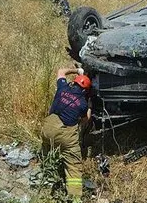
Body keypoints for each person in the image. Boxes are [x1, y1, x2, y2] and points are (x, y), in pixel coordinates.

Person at [41, 67, 92, 201]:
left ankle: (45, 176)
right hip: (65, 134)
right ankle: (74, 197)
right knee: (73, 165)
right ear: (85, 91)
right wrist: (89, 109)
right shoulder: (82, 103)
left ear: (73, 83)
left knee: (46, 149)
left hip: (48, 128)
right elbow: (85, 121)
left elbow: (61, 71)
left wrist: (77, 70)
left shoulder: (62, 87)